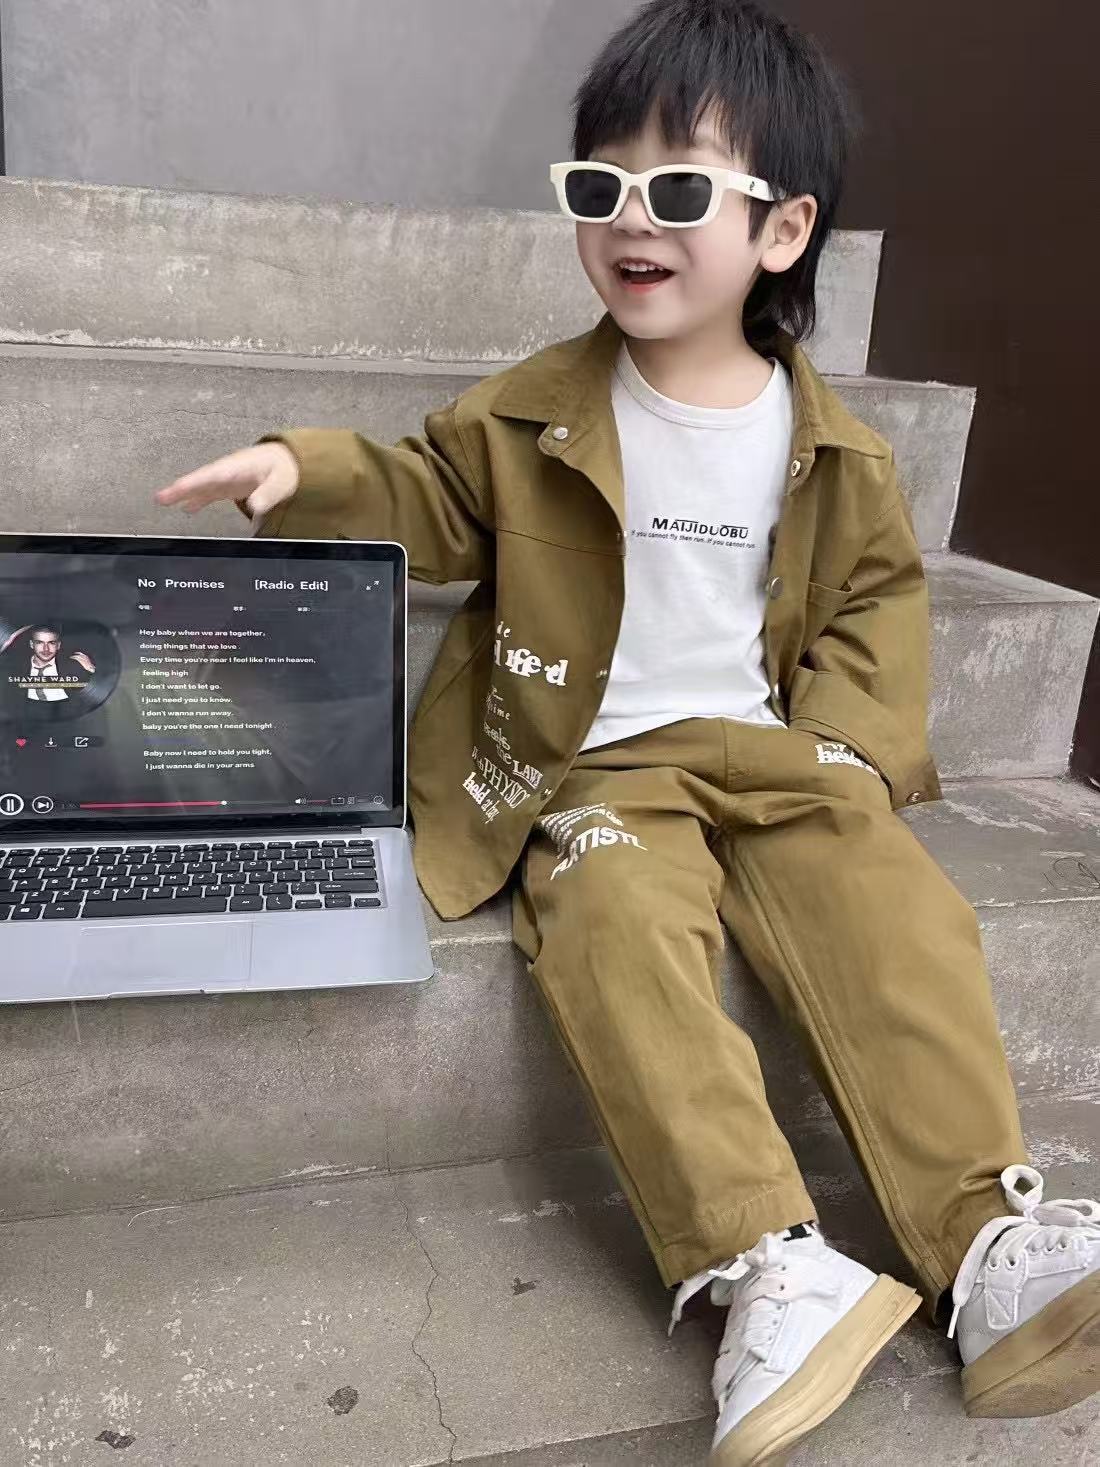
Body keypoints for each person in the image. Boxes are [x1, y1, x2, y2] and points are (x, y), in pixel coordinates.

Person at [154, 2, 1099, 1458]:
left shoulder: (837, 449)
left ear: (782, 231)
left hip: (772, 754)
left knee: (896, 908)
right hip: (591, 763)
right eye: (599, 186)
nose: (630, 220)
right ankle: (767, 1256)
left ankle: (984, 1243)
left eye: (678, 190)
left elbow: (873, 604)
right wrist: (307, 469)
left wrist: (847, 751)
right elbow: (429, 497)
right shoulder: (531, 410)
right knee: (607, 920)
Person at [0, 623, 96, 707]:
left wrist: (90, 671)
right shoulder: (14, 668)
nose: (46, 648)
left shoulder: (71, 669)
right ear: (32, 644)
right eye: (39, 642)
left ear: (58, 645)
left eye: (51, 643)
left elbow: (87, 693)